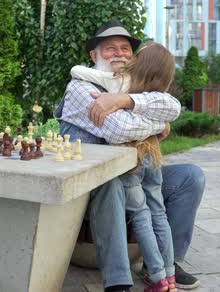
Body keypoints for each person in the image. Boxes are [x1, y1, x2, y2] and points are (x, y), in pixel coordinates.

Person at [54, 20, 205, 292]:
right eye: (110, 48)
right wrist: (159, 125)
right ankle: (118, 281)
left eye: (125, 48)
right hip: (89, 186)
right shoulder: (80, 87)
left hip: (133, 177)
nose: (119, 53)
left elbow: (172, 107)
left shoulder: (131, 87)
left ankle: (162, 264)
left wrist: (125, 101)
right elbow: (118, 130)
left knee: (190, 177)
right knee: (110, 180)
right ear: (94, 55)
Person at [72, 42, 180, 292]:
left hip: (132, 158)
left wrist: (115, 98)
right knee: (158, 212)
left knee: (142, 214)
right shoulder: (157, 96)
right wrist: (158, 125)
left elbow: (81, 72)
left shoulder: (121, 84)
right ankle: (170, 276)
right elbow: (170, 110)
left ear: (138, 63)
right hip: (153, 153)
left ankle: (159, 278)